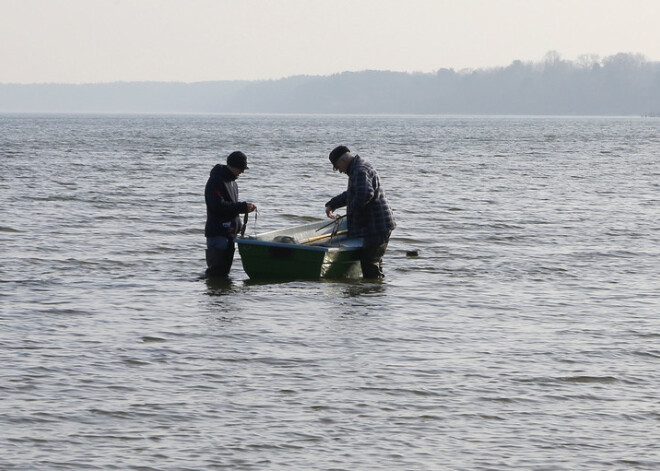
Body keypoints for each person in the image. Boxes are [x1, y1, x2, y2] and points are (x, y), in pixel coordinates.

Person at [325, 145, 395, 279]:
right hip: (378, 225)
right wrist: (332, 204)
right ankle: (375, 292)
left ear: (344, 160)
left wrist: (352, 213)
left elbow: (365, 194)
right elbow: (351, 194)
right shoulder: (358, 168)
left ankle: (372, 295)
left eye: (337, 167)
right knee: (373, 261)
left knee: (369, 263)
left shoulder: (359, 170)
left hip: (377, 225)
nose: (339, 171)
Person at [204, 151, 256, 277]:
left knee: (224, 273)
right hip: (218, 233)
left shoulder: (233, 183)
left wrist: (244, 208)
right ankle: (214, 293)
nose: (242, 172)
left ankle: (223, 294)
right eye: (241, 168)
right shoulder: (215, 181)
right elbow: (217, 206)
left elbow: (230, 207)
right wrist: (242, 207)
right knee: (216, 272)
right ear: (232, 166)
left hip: (231, 234)